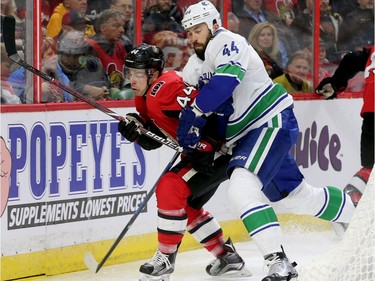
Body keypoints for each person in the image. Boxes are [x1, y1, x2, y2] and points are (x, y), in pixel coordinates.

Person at [176, 2, 356, 280]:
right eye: (189, 32)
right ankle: (361, 217)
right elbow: (186, 102)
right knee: (297, 198)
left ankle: (279, 262)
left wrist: (198, 111)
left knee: (241, 187)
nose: (193, 37)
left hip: (268, 122)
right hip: (246, 136)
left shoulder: (228, 41)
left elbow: (225, 82)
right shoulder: (193, 66)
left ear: (213, 24)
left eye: (198, 29)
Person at [117, 43, 250, 280]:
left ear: (153, 73)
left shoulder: (166, 88)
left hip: (222, 149)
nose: (132, 79)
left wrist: (206, 145)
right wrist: (139, 131)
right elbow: (156, 140)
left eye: (138, 74)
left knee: (171, 186)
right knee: (183, 206)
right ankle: (226, 257)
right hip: (207, 151)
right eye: (129, 73)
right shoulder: (144, 96)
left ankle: (165, 258)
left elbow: (213, 107)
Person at [316, 46, 374, 207]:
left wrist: (335, 84)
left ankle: (345, 209)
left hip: (371, 114)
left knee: (370, 167)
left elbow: (351, 59)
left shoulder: (372, 51)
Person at [86, 9, 127, 94]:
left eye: (122, 26)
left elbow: (128, 73)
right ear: (103, 28)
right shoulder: (90, 47)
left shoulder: (119, 46)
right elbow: (93, 83)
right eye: (116, 26)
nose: (122, 30)